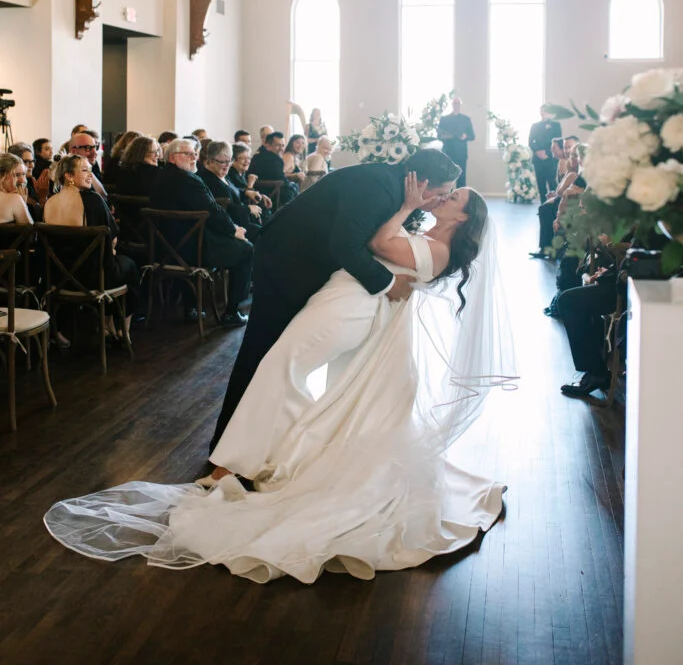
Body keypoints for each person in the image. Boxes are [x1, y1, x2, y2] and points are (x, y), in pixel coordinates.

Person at [44, 171, 516, 582]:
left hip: (351, 306)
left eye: (452, 199)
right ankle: (269, 453)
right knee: (284, 369)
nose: (442, 199)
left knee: (280, 366)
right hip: (343, 297)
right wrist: (410, 209)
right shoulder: (430, 235)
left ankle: (239, 460)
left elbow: (376, 245)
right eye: (445, 192)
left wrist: (409, 205)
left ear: (462, 219)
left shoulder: (437, 250)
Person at [209, 147, 461, 448]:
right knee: (261, 350)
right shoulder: (378, 188)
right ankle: (225, 447)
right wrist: (388, 282)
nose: (444, 198)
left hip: (307, 261)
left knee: (276, 354)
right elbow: (346, 246)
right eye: (443, 191)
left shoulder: (396, 187)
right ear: (421, 184)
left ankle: (260, 441)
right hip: (285, 261)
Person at [150, 139, 253, 326]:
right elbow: (212, 211)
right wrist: (233, 230)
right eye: (188, 154)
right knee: (247, 249)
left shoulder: (159, 178)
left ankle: (192, 306)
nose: (194, 158)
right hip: (193, 252)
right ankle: (231, 313)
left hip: (163, 251)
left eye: (195, 154)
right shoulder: (190, 180)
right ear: (172, 157)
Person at [43, 155, 139, 342]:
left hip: (60, 278)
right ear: (69, 176)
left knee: (115, 263)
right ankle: (123, 330)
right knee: (131, 267)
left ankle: (107, 325)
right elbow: (112, 238)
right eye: (85, 170)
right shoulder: (92, 200)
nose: (91, 175)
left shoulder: (49, 202)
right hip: (93, 278)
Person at [198, 140, 262, 241]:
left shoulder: (223, 175)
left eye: (229, 161)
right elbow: (222, 208)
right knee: (263, 235)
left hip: (240, 221)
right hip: (227, 228)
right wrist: (248, 209)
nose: (227, 165)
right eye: (223, 162)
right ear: (210, 161)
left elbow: (233, 191)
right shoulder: (206, 179)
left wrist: (246, 192)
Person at [249, 132, 298, 205]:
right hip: (271, 196)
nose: (281, 149)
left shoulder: (257, 155)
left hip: (259, 192)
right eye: (278, 145)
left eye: (283, 145)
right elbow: (281, 179)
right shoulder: (274, 159)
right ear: (268, 145)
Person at [437, 97, 475, 187]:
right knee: (446, 177)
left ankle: (461, 198)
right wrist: (449, 136)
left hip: (461, 153)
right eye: (454, 104)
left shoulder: (466, 119)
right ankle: (445, 197)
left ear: (460, 105)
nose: (456, 105)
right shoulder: (444, 119)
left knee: (462, 176)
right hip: (447, 152)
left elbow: (472, 136)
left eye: (458, 104)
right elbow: (439, 136)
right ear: (452, 105)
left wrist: (466, 136)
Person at [528, 106, 562, 201]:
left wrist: (547, 152)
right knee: (540, 183)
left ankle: (553, 205)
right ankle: (543, 206)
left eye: (546, 111)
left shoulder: (556, 125)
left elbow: (557, 140)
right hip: (538, 159)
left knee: (552, 182)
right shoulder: (535, 125)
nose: (544, 113)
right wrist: (537, 152)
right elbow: (531, 141)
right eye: (542, 111)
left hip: (551, 157)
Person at [228, 144, 272, 212]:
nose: (247, 161)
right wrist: (250, 184)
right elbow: (242, 199)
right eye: (243, 158)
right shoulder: (231, 174)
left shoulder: (241, 173)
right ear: (233, 160)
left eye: (248, 158)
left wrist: (261, 196)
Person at [68, 131, 108, 198]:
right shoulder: (68, 173)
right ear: (73, 151)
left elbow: (103, 195)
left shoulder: (93, 165)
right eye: (88, 148)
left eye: (95, 147)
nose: (95, 152)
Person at [0, 152, 32, 224]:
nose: (23, 180)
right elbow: (32, 232)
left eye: (23, 174)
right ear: (2, 176)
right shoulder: (15, 199)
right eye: (17, 175)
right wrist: (22, 204)